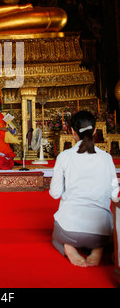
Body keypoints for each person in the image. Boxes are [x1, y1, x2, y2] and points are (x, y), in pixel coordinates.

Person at [49, 110, 119, 267]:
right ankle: (98, 247)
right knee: (109, 235)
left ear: (72, 132)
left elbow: (54, 193)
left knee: (55, 237)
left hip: (69, 228)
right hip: (102, 231)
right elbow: (115, 195)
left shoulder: (64, 156)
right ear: (95, 131)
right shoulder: (106, 158)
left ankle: (68, 247)